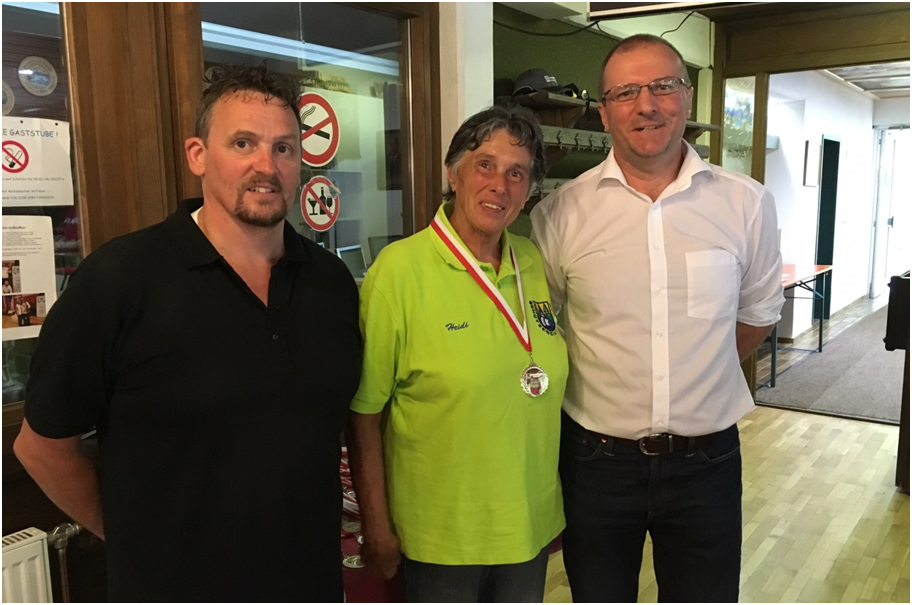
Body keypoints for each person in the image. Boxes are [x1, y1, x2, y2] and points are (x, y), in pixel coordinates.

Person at [14, 64, 362, 602]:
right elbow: (42, 449)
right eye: (243, 143)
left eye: (284, 148)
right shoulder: (119, 280)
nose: (266, 165)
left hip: (309, 584)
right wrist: (136, 543)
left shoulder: (331, 283)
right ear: (197, 155)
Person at [531, 35, 785, 603]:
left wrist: (700, 374)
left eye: (663, 86)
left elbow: (757, 315)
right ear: (604, 112)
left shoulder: (746, 205)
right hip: (595, 464)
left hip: (707, 464)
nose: (646, 105)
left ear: (687, 98)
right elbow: (547, 330)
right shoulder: (560, 214)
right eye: (625, 92)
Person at [347, 106, 568, 603]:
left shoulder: (531, 260)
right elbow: (364, 415)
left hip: (527, 526)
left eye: (517, 173)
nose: (500, 185)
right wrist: (376, 525)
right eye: (485, 165)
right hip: (441, 539)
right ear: (453, 172)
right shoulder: (398, 272)